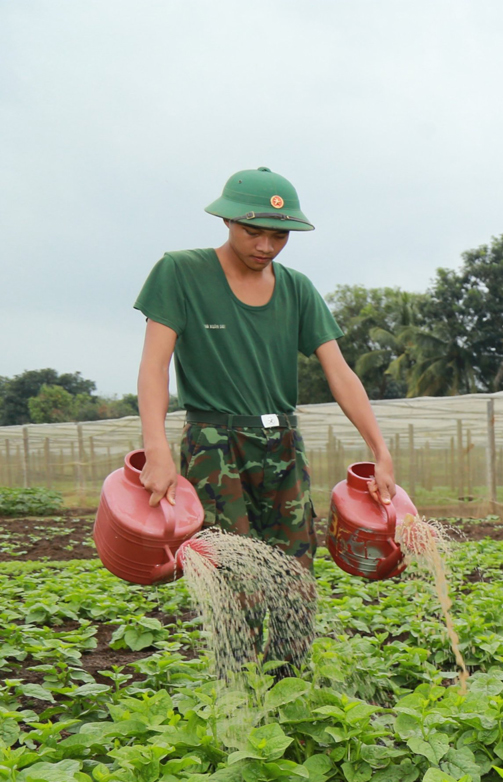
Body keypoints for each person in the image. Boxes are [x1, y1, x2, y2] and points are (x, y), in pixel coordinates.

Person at [133, 167, 397, 663]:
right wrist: (157, 449)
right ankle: (238, 692)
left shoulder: (296, 289)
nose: (266, 245)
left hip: (283, 445)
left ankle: (290, 688)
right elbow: (154, 368)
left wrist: (380, 449)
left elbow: (340, 372)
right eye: (254, 231)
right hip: (215, 442)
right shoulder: (181, 272)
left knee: (296, 575)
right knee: (234, 574)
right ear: (228, 221)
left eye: (279, 235)